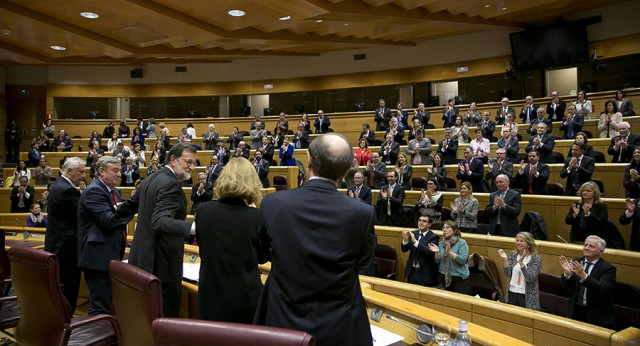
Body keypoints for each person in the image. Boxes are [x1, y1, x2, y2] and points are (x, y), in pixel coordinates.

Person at [254, 133, 376, 346]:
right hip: (340, 326)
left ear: (308, 160)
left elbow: (262, 254)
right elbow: (363, 263)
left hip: (282, 321)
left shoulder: (273, 204)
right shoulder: (362, 213)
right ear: (347, 170)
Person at [116, 143, 197, 317]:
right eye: (188, 162)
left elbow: (129, 206)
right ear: (173, 160)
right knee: (163, 319)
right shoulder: (171, 185)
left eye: (194, 163)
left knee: (143, 316)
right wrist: (193, 227)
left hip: (141, 259)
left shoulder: (152, 178)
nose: (191, 167)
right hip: (162, 265)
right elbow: (160, 221)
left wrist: (114, 213)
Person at [194, 157, 266, 323]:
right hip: (244, 302)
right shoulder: (256, 217)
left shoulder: (203, 211)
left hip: (209, 300)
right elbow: (263, 258)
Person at [77, 156, 134, 315]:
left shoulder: (114, 191)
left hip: (109, 254)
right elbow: (109, 221)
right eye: (114, 170)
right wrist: (127, 212)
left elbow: (117, 215)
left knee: (107, 301)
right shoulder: (94, 190)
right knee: (99, 305)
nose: (119, 174)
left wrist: (121, 211)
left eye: (120, 170)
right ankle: (95, 337)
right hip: (97, 257)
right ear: (101, 171)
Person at [44, 157, 86, 313]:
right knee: (68, 287)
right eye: (80, 172)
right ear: (70, 171)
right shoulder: (67, 190)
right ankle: (66, 322)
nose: (83, 176)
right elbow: (85, 213)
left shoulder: (58, 186)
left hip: (58, 245)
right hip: (67, 248)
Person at [559, 236, 616, 329]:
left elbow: (602, 289)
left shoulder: (608, 268)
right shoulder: (576, 262)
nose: (587, 248)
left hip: (596, 315)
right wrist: (568, 274)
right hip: (575, 311)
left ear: (600, 251)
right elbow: (565, 287)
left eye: (591, 246)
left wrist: (583, 276)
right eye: (585, 245)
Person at [498, 232, 542, 310]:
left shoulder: (536, 259)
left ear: (528, 244)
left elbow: (530, 278)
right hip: (512, 292)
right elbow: (507, 273)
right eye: (517, 240)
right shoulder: (513, 255)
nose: (518, 242)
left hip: (527, 296)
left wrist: (521, 262)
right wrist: (505, 259)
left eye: (521, 241)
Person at [428, 220, 471, 295]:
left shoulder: (461, 242)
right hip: (443, 278)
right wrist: (437, 253)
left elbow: (463, 260)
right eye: (443, 228)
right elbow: (437, 261)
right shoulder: (441, 243)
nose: (444, 230)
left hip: (459, 279)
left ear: (454, 230)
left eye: (447, 228)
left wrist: (449, 253)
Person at [402, 214, 439, 287]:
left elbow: (429, 252)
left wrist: (415, 242)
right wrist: (405, 240)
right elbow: (404, 249)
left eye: (424, 221)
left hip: (424, 274)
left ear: (429, 224)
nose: (421, 223)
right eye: (420, 220)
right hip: (412, 272)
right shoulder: (413, 233)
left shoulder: (433, 237)